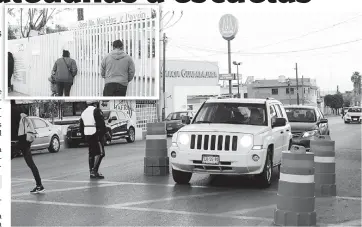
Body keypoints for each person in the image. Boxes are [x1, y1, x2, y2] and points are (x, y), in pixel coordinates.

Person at [11, 100, 45, 193]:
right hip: (25, 141)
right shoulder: (20, 111)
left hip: (14, 142)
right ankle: (39, 185)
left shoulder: (9, 111)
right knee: (31, 164)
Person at [79, 101, 109, 179]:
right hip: (96, 135)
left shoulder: (84, 112)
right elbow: (101, 124)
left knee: (91, 153)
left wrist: (83, 136)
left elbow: (81, 126)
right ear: (95, 104)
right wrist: (104, 135)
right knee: (101, 153)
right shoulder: (96, 110)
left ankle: (91, 172)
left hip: (87, 135)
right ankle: (94, 171)